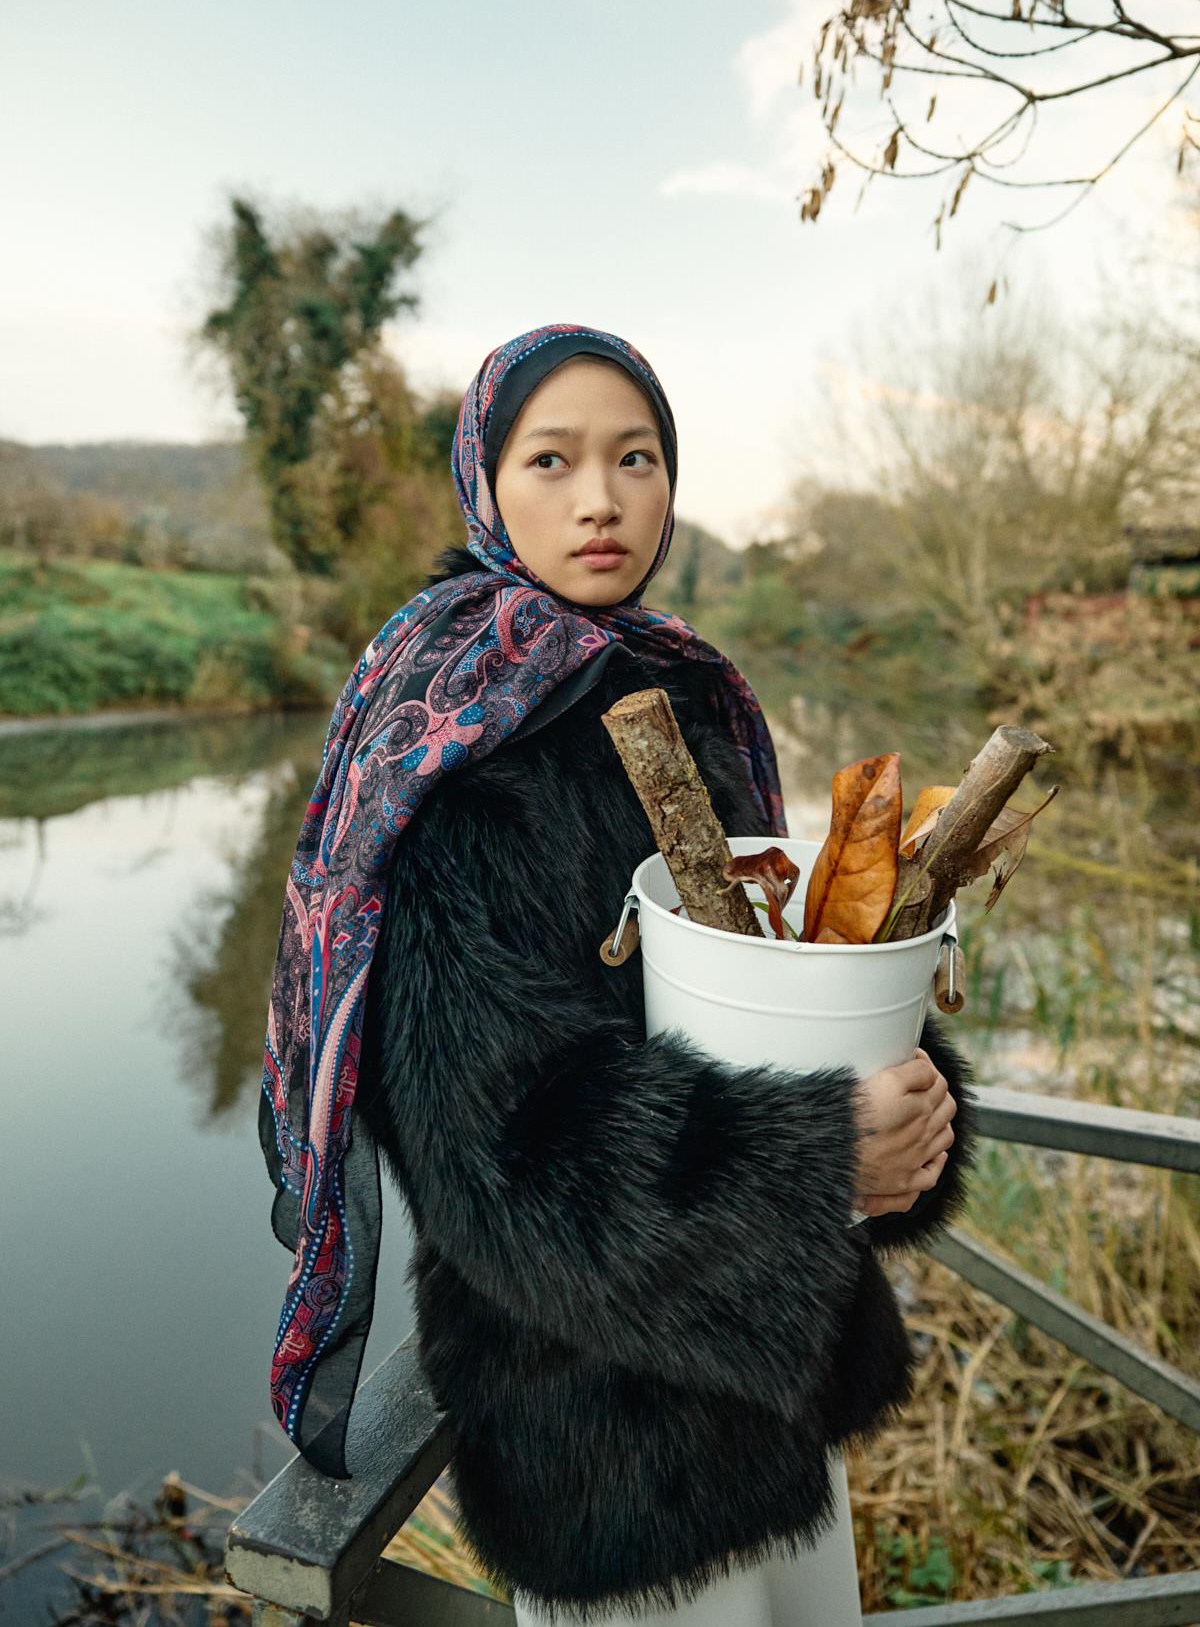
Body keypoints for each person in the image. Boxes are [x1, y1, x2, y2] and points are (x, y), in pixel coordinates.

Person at [260, 322, 978, 1624]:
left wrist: (910, 1100)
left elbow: (768, 981)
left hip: (770, 1387)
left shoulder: (682, 689)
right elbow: (498, 1161)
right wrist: (821, 1159)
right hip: (603, 1435)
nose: (601, 498)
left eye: (635, 457)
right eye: (553, 459)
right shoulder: (451, 746)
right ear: (487, 483)